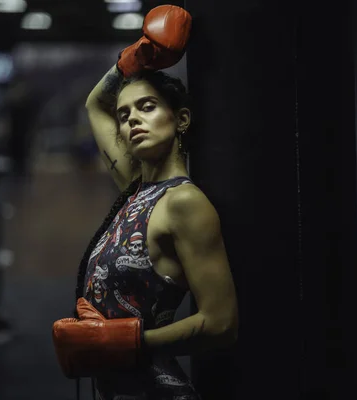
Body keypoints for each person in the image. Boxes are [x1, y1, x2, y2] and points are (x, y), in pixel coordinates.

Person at [52, 5, 239, 399]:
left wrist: (124, 342)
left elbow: (222, 322)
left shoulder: (184, 203)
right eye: (125, 114)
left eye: (148, 107)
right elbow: (94, 104)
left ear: (181, 120)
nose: (133, 119)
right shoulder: (134, 188)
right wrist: (135, 57)